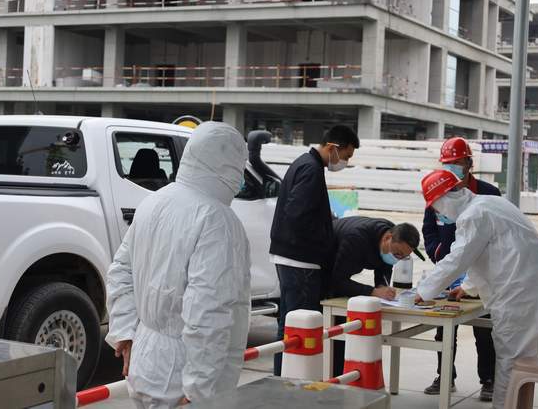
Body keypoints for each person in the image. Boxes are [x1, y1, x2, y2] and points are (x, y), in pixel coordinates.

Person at [105, 122, 251, 408]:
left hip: (145, 360)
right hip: (184, 374)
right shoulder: (216, 219)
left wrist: (125, 330)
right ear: (228, 164)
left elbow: (121, 270)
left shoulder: (154, 202)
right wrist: (198, 387)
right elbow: (207, 310)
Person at [415, 169, 538, 409]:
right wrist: (468, 288)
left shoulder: (473, 215)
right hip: (531, 282)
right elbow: (489, 254)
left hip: (517, 289)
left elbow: (458, 258)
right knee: (524, 359)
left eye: (436, 207)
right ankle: (519, 404)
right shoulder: (489, 203)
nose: (438, 214)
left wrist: (424, 290)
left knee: (510, 359)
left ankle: (505, 406)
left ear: (446, 197)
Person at [270, 125, 359, 376]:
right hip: (301, 262)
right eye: (346, 156)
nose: (345, 162)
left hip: (289, 257)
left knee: (288, 324)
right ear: (333, 148)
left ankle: (282, 378)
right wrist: (323, 237)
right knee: (302, 325)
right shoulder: (311, 170)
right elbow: (297, 214)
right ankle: (293, 381)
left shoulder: (303, 163)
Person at [421, 137, 499, 401]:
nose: (453, 167)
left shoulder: (487, 192)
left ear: (469, 163)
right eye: (448, 163)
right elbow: (429, 230)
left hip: (481, 272)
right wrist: (438, 253)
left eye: (457, 162)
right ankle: (445, 376)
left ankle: (488, 379)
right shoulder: (438, 190)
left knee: (484, 328)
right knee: (444, 328)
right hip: (449, 269)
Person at [325, 217, 425, 376]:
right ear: (387, 238)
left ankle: (340, 375)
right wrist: (373, 291)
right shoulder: (357, 239)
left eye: (402, 257)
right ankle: (332, 376)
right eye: (397, 254)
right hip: (322, 261)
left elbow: (384, 267)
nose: (397, 259)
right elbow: (337, 281)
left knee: (344, 333)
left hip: (341, 265)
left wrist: (382, 287)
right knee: (333, 330)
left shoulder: (391, 235)